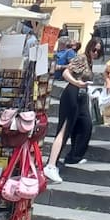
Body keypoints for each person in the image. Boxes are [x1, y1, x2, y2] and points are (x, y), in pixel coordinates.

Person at [43, 40, 93, 183]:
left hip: (81, 96)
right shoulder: (81, 58)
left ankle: (73, 156)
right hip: (73, 93)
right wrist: (77, 83)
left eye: (98, 51)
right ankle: (51, 165)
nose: (96, 53)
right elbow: (65, 72)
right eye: (94, 50)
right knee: (64, 130)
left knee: (86, 125)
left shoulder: (89, 61)